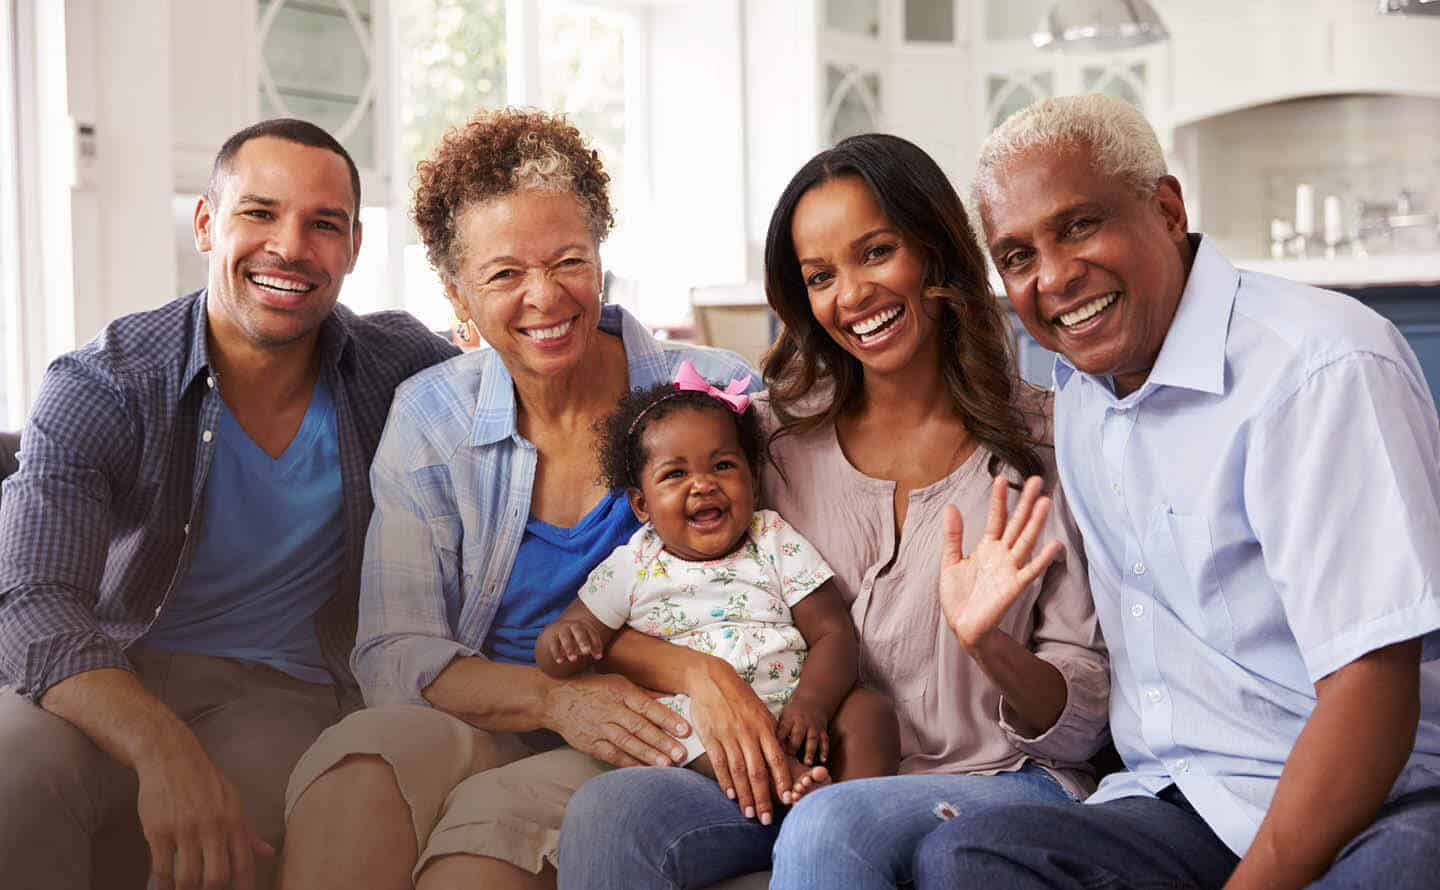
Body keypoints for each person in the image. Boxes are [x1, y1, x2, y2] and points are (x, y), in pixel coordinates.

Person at [913, 93, 1440, 890]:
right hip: (1188, 802)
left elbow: (1374, 688)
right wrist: (991, 646)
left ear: (1164, 209)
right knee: (968, 859)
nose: (1053, 276)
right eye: (1017, 256)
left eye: (1079, 225)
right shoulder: (1085, 400)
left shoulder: (1320, 368)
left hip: (1381, 799)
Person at [558, 133, 1109, 890]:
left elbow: (1084, 724)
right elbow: (646, 600)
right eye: (821, 276)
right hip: (805, 777)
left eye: (876, 252)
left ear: (936, 251)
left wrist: (991, 648)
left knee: (835, 820)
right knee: (612, 809)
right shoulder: (764, 443)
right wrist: (704, 671)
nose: (851, 296)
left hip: (998, 779)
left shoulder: (1052, 443)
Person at [277, 107, 776, 890]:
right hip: (495, 716)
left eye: (569, 261)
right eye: (505, 274)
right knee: (360, 766)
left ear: (602, 258)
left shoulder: (714, 394)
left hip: (652, 737)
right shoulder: (431, 415)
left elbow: (788, 586)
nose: (545, 298)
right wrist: (554, 701)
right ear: (456, 293)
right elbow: (393, 650)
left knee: (480, 849)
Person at [0, 118, 458, 890]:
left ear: (351, 250)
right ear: (208, 224)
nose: (290, 246)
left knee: (228, 850)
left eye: (324, 224)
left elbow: (530, 380)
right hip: (108, 673)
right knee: (9, 777)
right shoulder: (104, 384)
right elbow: (31, 604)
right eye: (260, 212)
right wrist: (162, 747)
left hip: (281, 693)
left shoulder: (398, 369)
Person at [537, 365, 899, 792]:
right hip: (707, 724)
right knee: (673, 723)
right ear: (641, 505)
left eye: (723, 465)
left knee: (870, 711)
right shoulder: (633, 563)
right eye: (675, 474)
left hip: (797, 717)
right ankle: (787, 785)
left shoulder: (772, 538)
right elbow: (566, 639)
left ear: (752, 478)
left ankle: (847, 811)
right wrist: (562, 642)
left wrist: (812, 705)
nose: (703, 485)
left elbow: (833, 634)